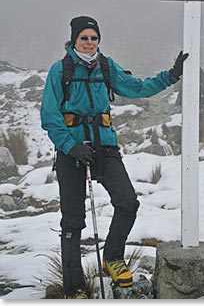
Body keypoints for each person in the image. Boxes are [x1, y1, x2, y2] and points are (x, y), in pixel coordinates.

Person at [40, 15, 188, 299]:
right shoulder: (60, 70)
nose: (90, 42)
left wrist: (172, 74)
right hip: (72, 151)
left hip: (105, 147)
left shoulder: (106, 66)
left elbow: (138, 87)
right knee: (72, 221)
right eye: (84, 38)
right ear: (74, 40)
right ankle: (74, 287)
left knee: (128, 202)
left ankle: (113, 257)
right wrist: (71, 147)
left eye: (94, 38)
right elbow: (49, 116)